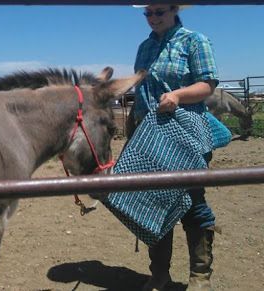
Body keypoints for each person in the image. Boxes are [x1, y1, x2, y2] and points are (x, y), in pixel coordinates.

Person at [128, 4, 222, 291]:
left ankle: (200, 277)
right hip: (149, 135)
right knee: (153, 205)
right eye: (148, 13)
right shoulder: (144, 47)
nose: (153, 18)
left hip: (185, 132)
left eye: (159, 12)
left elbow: (208, 84)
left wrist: (179, 95)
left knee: (192, 201)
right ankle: (159, 275)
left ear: (174, 10)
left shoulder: (194, 40)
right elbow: (141, 92)